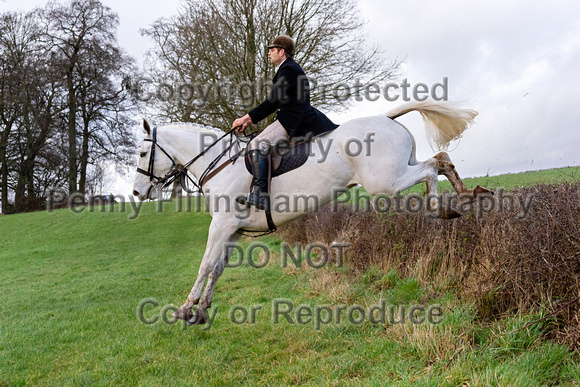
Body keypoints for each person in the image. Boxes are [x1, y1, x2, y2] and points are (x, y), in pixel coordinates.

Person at [232, 35, 338, 210]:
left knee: (257, 144)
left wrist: (246, 118)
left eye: (271, 50)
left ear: (282, 52)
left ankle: (260, 195)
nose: (268, 53)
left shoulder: (288, 69)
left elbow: (273, 102)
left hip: (293, 119)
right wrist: (248, 120)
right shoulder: (288, 69)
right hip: (291, 116)